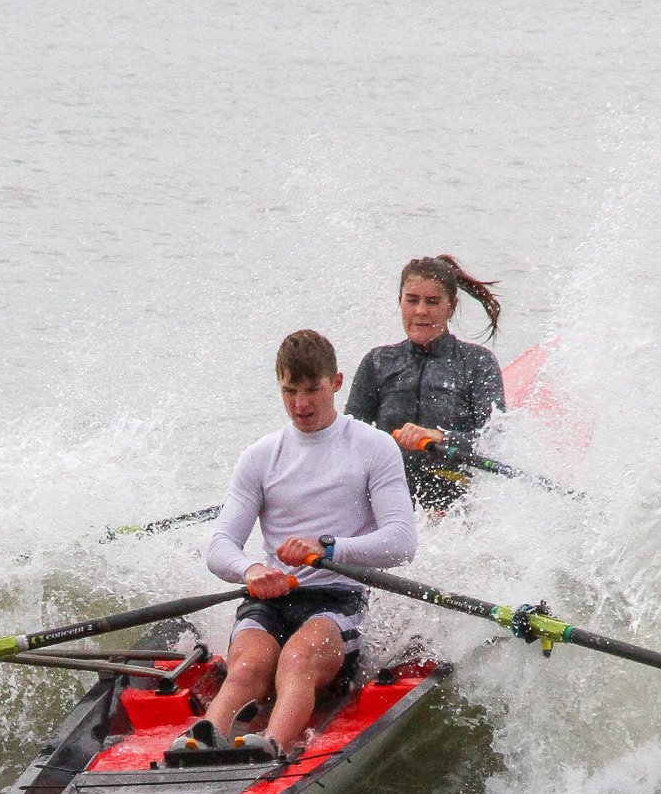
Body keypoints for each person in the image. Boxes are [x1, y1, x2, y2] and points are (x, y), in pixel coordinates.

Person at [174, 329, 417, 760]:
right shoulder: (260, 456)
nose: (301, 405)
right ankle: (197, 746)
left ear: (337, 383)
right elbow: (221, 545)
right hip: (273, 596)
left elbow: (401, 542)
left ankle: (272, 749)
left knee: (297, 662)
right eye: (289, 391)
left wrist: (328, 549)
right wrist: (252, 570)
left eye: (312, 390)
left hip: (339, 598)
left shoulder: (374, 448)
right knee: (247, 668)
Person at [345, 255, 506, 509]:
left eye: (433, 302)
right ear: (400, 301)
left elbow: (493, 440)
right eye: (412, 300)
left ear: (451, 306)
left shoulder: (477, 362)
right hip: (388, 504)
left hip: (456, 507)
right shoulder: (377, 362)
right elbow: (349, 438)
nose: (421, 310)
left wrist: (439, 436)